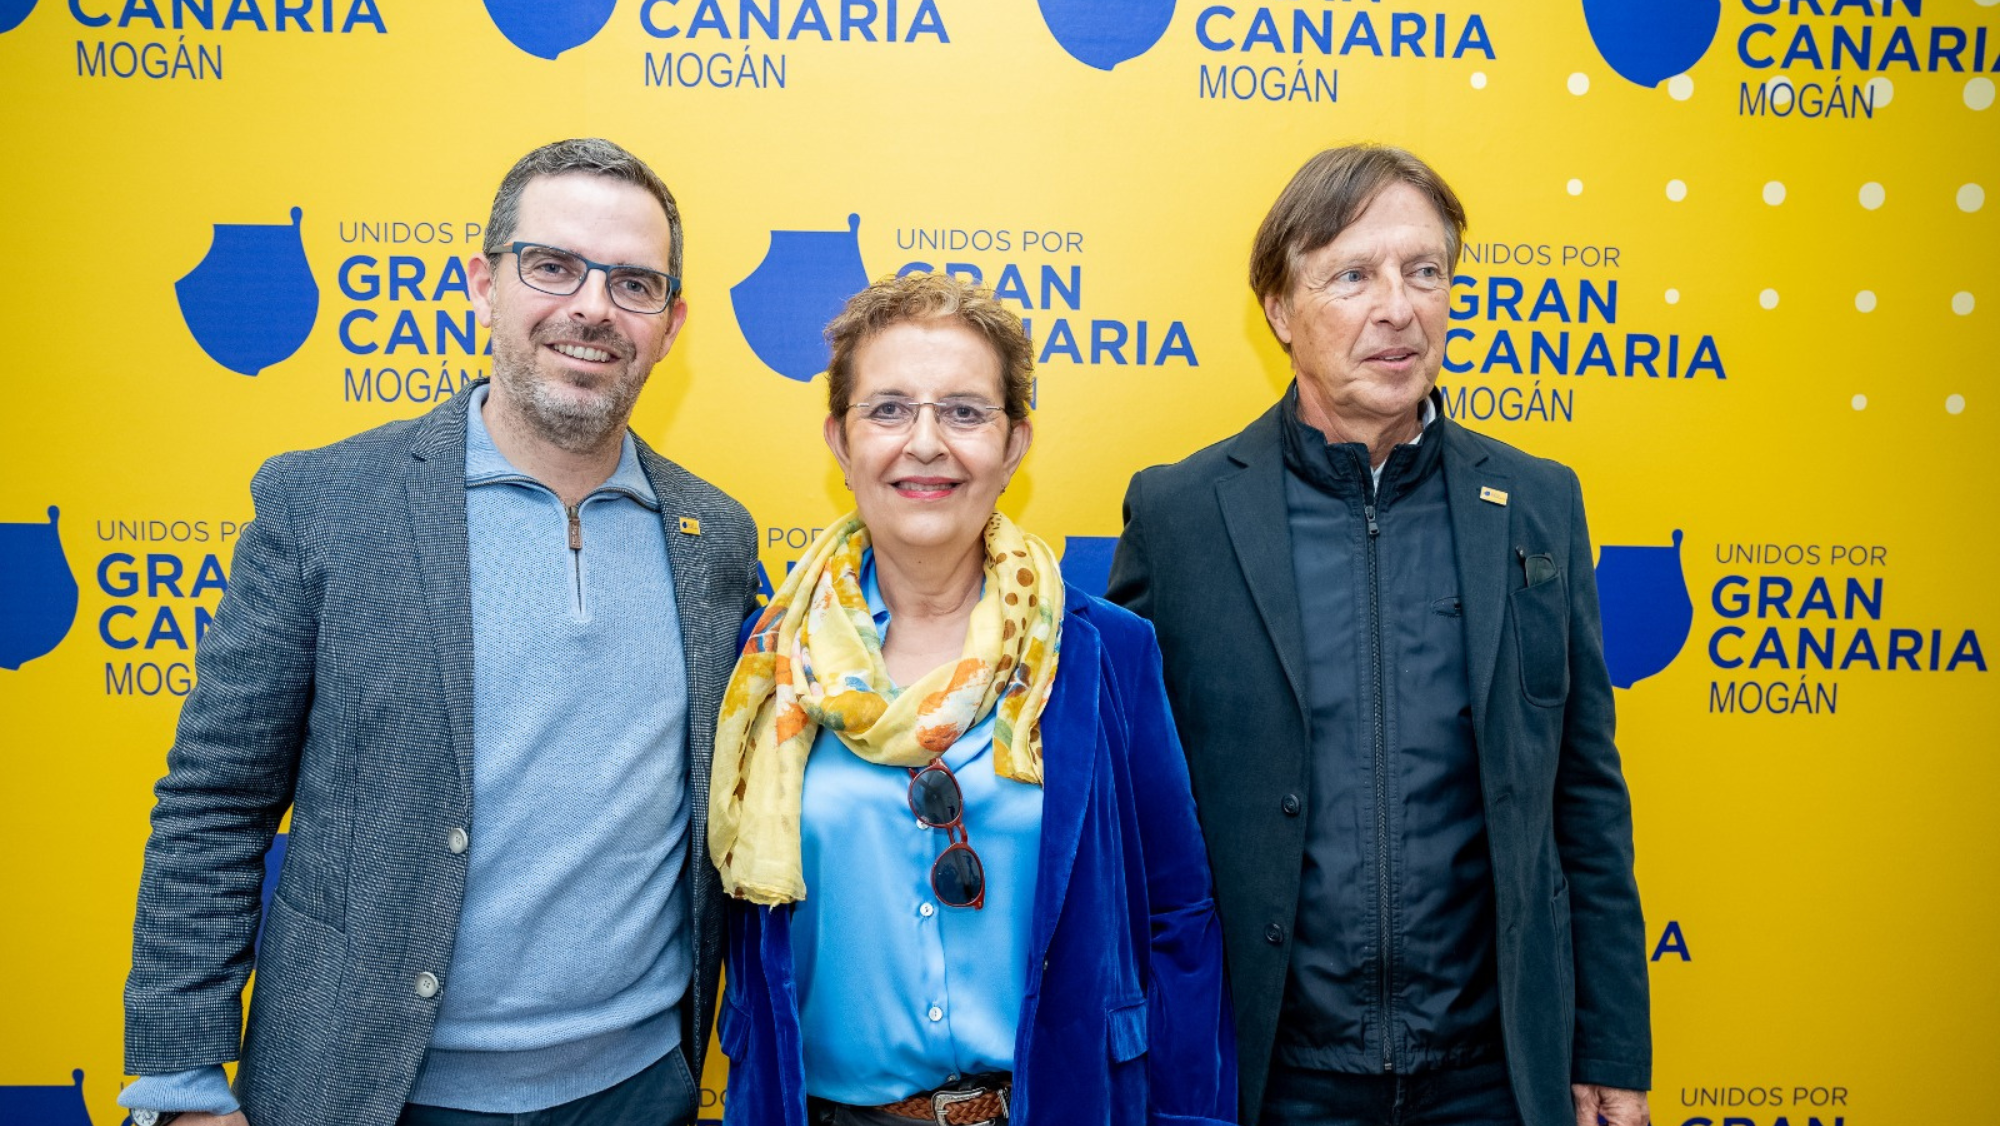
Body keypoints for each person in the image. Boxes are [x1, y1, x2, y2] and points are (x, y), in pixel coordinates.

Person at [120, 137, 758, 1126]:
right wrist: (181, 1083)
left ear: (670, 325)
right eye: (552, 266)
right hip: (366, 1091)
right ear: (482, 284)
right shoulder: (325, 503)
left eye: (633, 283)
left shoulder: (714, 538)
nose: (591, 306)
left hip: (639, 1092)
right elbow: (214, 804)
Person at [1105, 144, 1651, 1126]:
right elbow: (1128, 813)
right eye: (1351, 275)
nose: (1395, 307)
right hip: (1269, 1073)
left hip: (1489, 1076)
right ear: (1277, 308)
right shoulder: (1180, 514)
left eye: (1423, 271)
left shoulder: (1534, 502)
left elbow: (1583, 793)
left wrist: (1609, 1044)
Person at [710, 272, 1236, 1126]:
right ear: (840, 443)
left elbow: (1178, 919)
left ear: (1015, 443)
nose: (925, 443)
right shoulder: (766, 667)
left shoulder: (1106, 655)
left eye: (963, 411)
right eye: (888, 410)